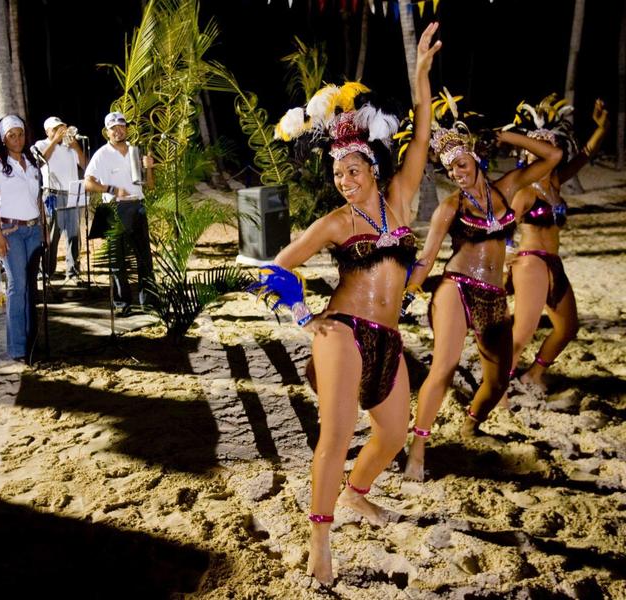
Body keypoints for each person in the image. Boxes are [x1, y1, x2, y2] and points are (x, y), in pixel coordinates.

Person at [250, 24, 441, 586]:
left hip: (386, 338)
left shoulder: (401, 200)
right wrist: (304, 314)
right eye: (337, 173)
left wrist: (422, 77)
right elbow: (276, 265)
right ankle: (319, 541)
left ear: (373, 168)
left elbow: (424, 132)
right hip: (340, 332)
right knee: (335, 434)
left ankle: (356, 495)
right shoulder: (336, 222)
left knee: (392, 434)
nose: (344, 179)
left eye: (353, 170)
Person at [402, 99, 563, 482]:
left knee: (497, 380)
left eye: (460, 163)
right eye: (448, 167)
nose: (455, 172)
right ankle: (418, 448)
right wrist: (405, 289)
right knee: (443, 366)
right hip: (456, 288)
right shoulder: (449, 207)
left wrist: (503, 135)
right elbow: (427, 258)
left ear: (475, 157)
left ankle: (472, 422)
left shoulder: (508, 188)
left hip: (493, 297)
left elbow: (553, 154)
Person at [508, 97, 609, 389]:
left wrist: (601, 128)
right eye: (534, 153)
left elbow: (586, 154)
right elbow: (502, 228)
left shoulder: (554, 184)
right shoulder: (525, 191)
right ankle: (498, 386)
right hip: (530, 264)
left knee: (567, 328)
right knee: (523, 332)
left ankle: (532, 375)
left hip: (554, 263)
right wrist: (505, 260)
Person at [0, 115, 45, 362]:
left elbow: (38, 199)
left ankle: (32, 342)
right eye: (12, 135)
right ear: (2, 139)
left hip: (33, 230)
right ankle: (18, 348)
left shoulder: (31, 163)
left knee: (31, 288)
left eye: (20, 134)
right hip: (12, 231)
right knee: (17, 286)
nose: (17, 139)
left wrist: (43, 229)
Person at [84, 111, 155, 314]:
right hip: (114, 208)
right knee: (117, 261)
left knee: (144, 259)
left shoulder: (135, 151)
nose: (118, 131)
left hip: (138, 206)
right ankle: (122, 304)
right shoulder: (102, 154)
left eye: (121, 126)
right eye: (113, 128)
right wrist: (111, 189)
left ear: (127, 129)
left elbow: (150, 186)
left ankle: (148, 302)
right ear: (107, 132)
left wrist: (149, 168)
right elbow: (88, 183)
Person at [35, 116, 88, 283]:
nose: (60, 132)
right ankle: (46, 272)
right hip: (53, 194)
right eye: (55, 129)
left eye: (62, 128)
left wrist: (76, 146)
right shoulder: (41, 144)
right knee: (52, 235)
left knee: (74, 234)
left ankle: (73, 272)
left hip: (72, 193)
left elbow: (86, 166)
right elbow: (40, 161)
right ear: (47, 131)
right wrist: (55, 141)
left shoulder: (70, 147)